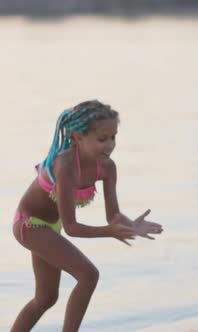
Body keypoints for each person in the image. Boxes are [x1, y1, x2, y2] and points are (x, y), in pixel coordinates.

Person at [10, 100, 163, 332]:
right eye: (102, 139)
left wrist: (130, 225)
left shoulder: (107, 167)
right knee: (88, 275)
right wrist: (108, 233)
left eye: (113, 137)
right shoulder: (65, 166)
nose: (110, 145)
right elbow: (72, 227)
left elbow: (113, 215)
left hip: (51, 226)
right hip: (29, 225)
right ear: (77, 137)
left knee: (46, 298)